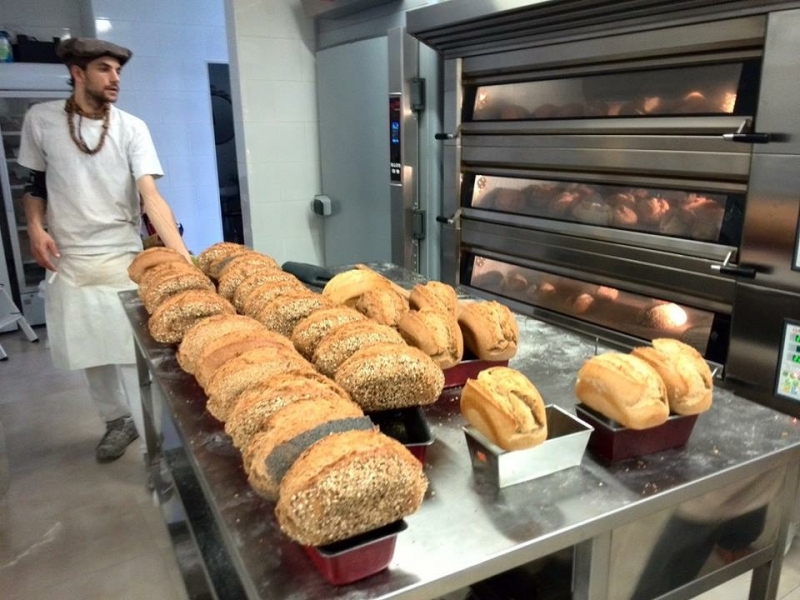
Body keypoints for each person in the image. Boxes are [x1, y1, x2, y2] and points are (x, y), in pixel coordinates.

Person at [18, 38, 191, 463]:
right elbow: (34, 186)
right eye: (104, 69)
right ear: (78, 74)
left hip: (121, 257)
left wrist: (185, 260)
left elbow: (150, 196)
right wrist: (36, 228)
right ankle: (118, 422)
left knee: (133, 355)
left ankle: (156, 442)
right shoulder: (41, 120)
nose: (115, 79)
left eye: (118, 71)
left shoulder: (132, 128)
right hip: (69, 257)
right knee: (89, 351)